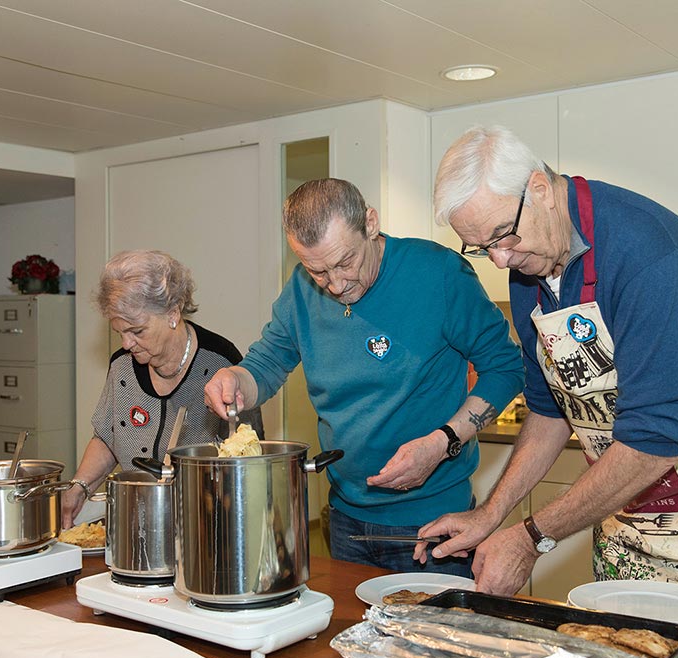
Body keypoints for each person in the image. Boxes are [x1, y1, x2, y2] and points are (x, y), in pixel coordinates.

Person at [422, 125, 678, 649]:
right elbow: (550, 410)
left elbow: (649, 445)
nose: (500, 259)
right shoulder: (531, 262)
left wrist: (532, 538)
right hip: (629, 500)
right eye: (482, 248)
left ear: (541, 189)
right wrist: (490, 515)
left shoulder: (648, 253)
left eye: (503, 237)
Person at [204, 178, 524, 576]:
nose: (335, 285)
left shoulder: (438, 273)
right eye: (317, 270)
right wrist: (236, 379)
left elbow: (507, 367)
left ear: (370, 223)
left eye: (345, 262)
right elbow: (267, 363)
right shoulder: (302, 290)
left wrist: (444, 441)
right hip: (345, 520)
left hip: (433, 525)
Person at [61, 250, 262, 528]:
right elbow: (108, 438)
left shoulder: (221, 364)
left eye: (137, 331)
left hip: (204, 525)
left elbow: (250, 457)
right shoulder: (122, 366)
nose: (127, 344)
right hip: (136, 524)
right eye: (119, 332)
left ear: (173, 313)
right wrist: (79, 488)